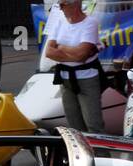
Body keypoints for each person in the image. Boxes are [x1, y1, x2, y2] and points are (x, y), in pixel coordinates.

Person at [45, 0, 105, 134]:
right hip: (66, 80)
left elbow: (81, 55)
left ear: (75, 4)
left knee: (93, 125)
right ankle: (81, 154)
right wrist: (74, 54)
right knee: (74, 126)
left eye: (62, 4)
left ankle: (100, 154)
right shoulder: (60, 20)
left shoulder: (90, 23)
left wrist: (61, 48)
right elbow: (49, 52)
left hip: (87, 79)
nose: (60, 8)